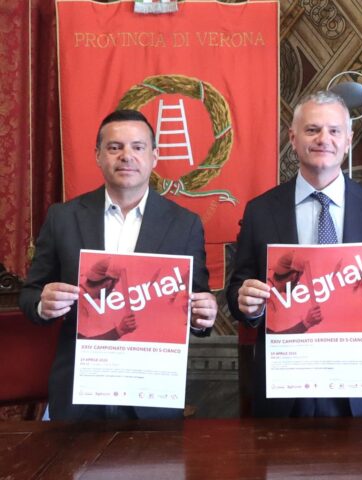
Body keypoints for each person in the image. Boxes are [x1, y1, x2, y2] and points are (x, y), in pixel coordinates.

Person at [226, 91, 362, 417]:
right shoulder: (260, 211)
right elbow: (237, 291)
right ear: (293, 138)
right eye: (312, 129)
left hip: (358, 384)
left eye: (334, 130)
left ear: (348, 140)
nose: (323, 139)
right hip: (284, 383)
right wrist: (246, 302)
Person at [19, 109, 217, 421]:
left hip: (151, 393)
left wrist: (202, 316)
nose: (126, 156)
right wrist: (43, 304)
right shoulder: (63, 218)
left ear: (154, 156)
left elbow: (197, 301)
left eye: (138, 147)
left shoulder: (185, 225)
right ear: (98, 155)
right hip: (79, 392)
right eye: (115, 147)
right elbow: (30, 294)